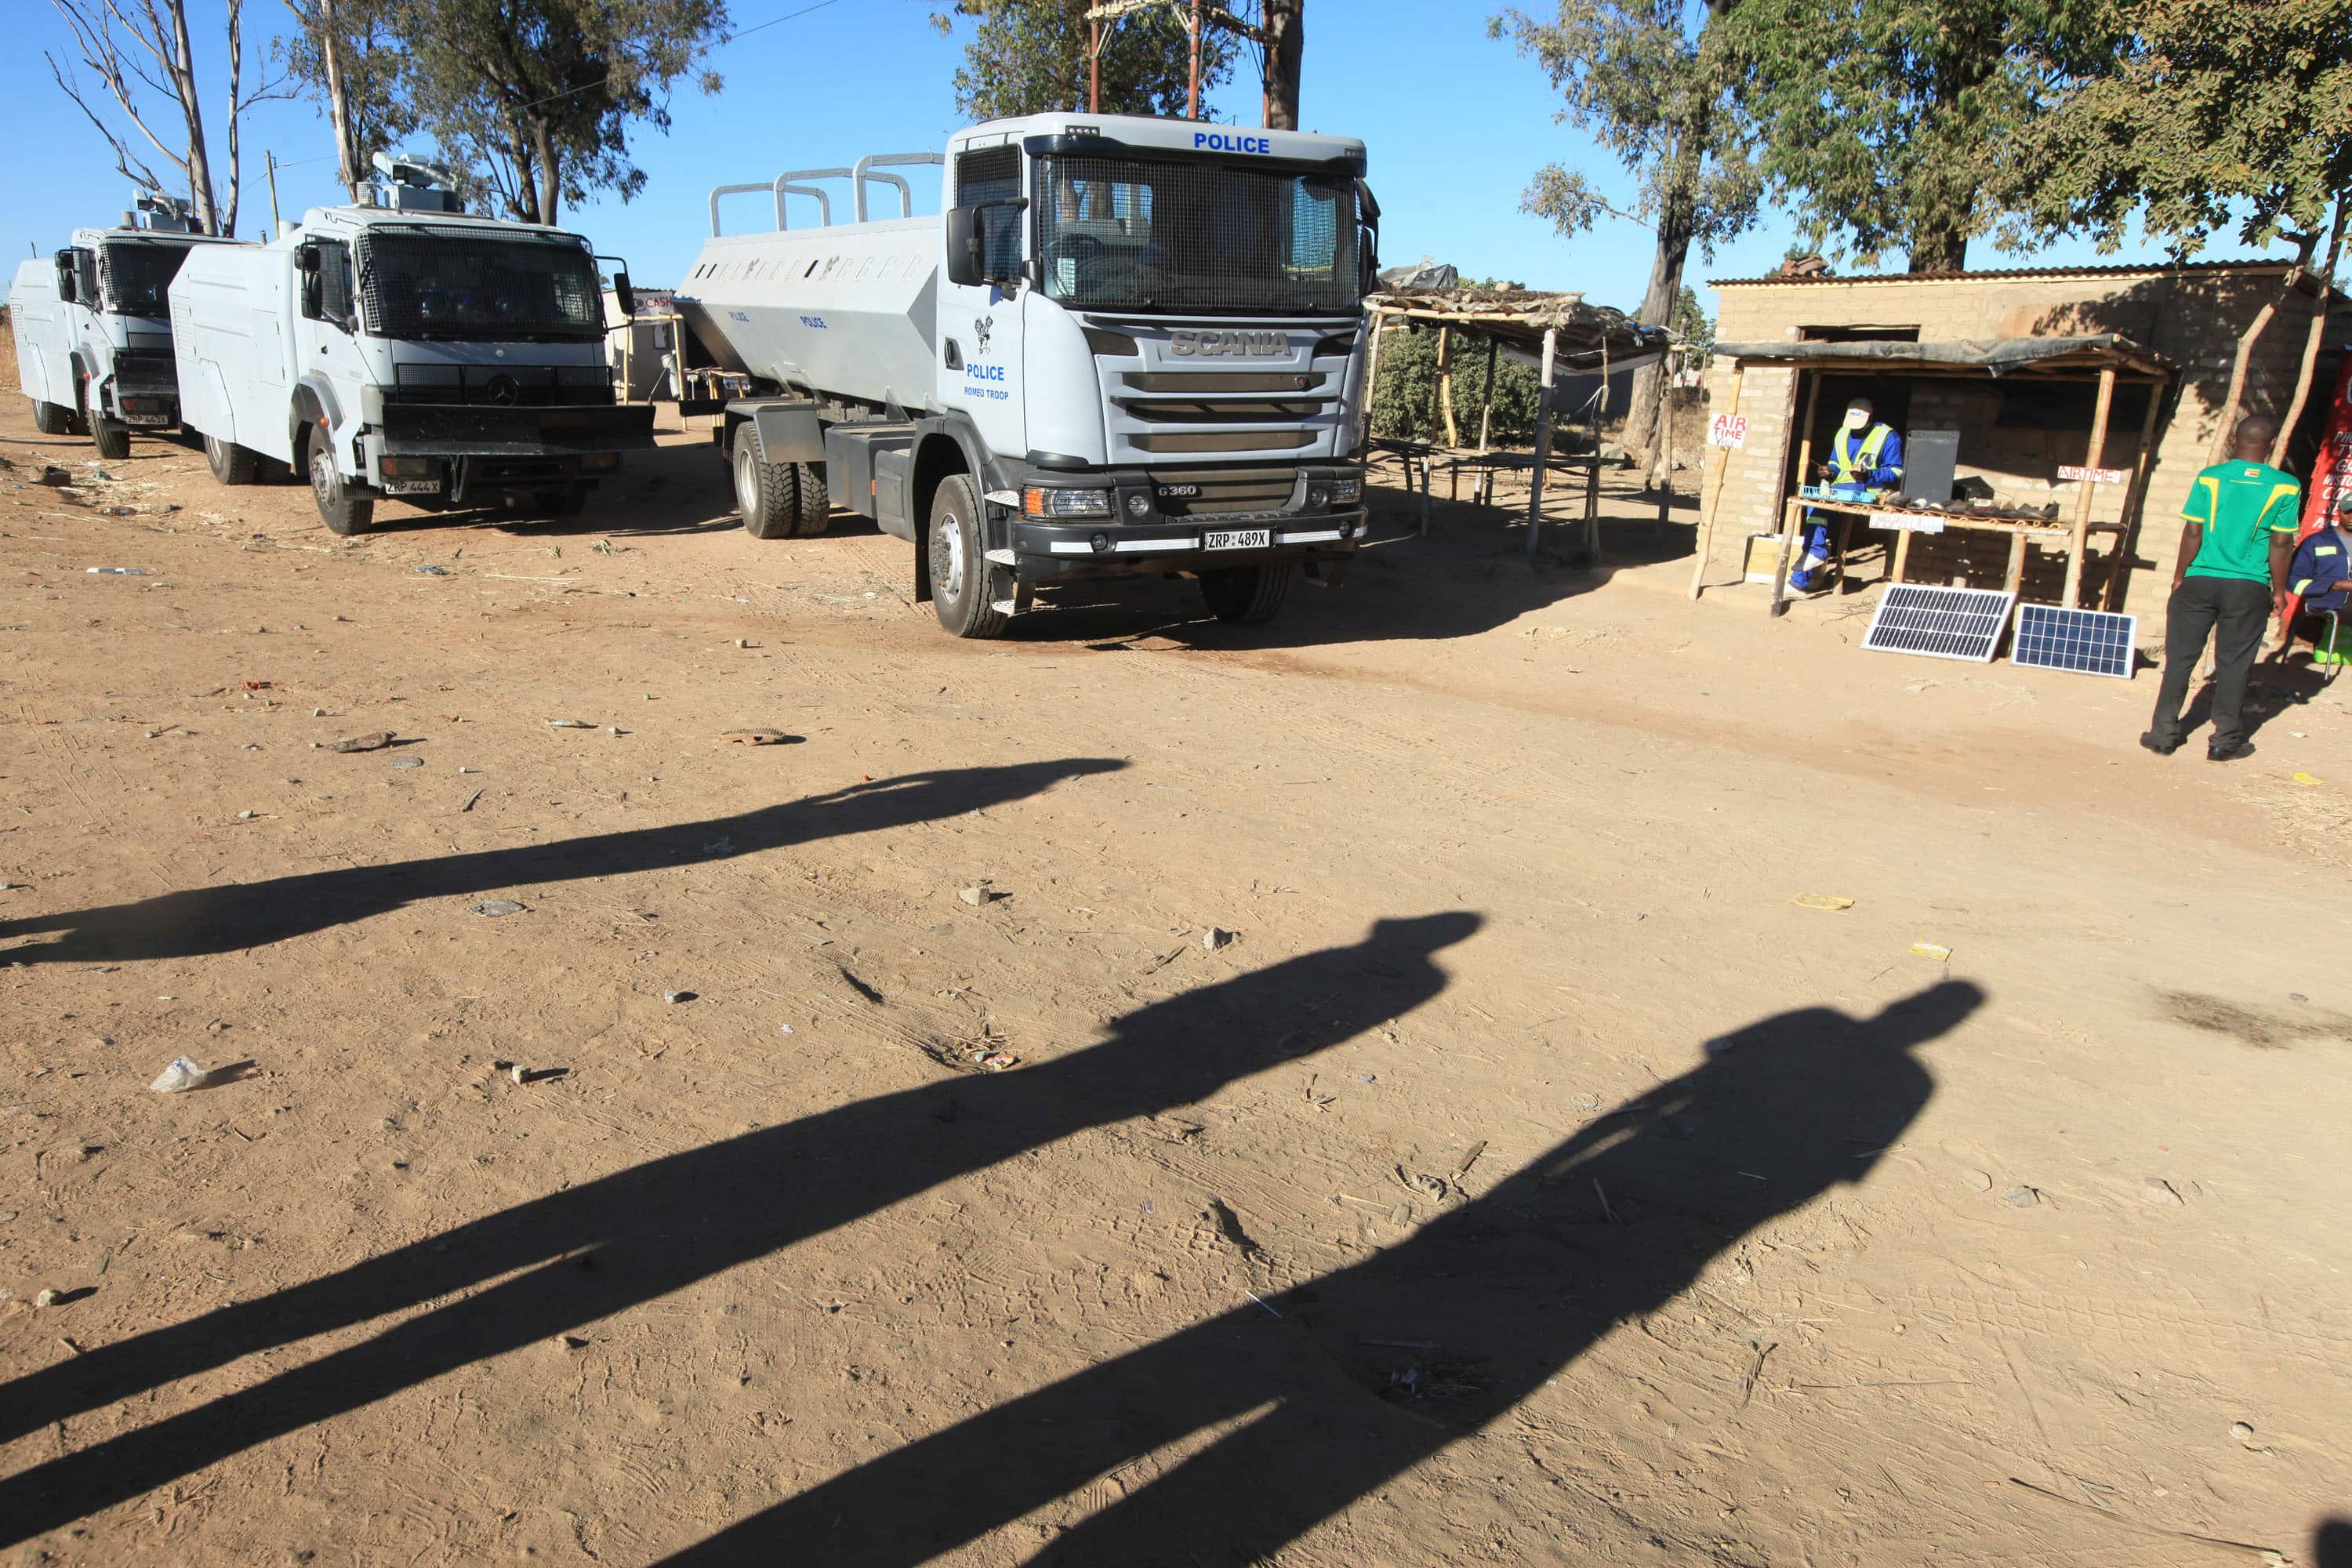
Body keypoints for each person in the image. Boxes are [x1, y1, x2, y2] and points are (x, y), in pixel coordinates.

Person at [2141, 414, 2301, 761]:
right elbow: (2281, 543)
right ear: (2272, 445)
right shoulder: (2286, 486)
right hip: (2248, 587)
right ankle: (2224, 741)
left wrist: (2180, 577)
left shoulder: (2209, 478)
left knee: (2181, 660)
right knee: (2234, 664)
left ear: (2233, 440)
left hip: (2199, 581)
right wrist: (2278, 590)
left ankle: (2162, 734)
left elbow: (2194, 533)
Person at [1789, 397, 1904, 592]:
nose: (1856, 430)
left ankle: (1809, 564)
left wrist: (1869, 475)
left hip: (1867, 490)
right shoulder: (1843, 433)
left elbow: (1896, 470)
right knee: (1814, 507)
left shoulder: (1888, 436)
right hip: (1840, 489)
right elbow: (1835, 462)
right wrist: (1829, 471)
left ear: (1871, 417)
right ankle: (1808, 564)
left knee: (1819, 511)